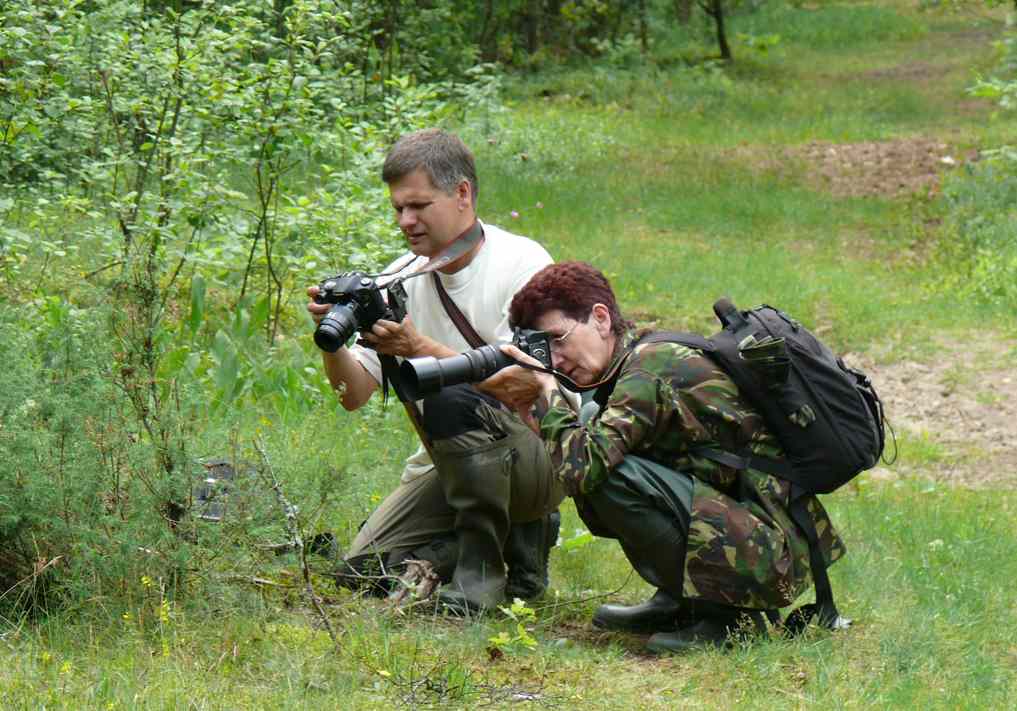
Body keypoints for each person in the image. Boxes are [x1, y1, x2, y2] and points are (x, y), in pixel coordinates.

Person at [495, 261, 846, 652]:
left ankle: (732, 620)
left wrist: (547, 390)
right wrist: (543, 423)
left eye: (557, 339)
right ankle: (683, 601)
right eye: (544, 350)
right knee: (595, 438)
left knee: (610, 475)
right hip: (761, 539)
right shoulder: (637, 360)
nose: (555, 359)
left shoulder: (651, 365)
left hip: (770, 551)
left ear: (600, 319)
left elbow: (583, 467)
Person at [306, 129, 564, 615]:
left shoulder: (523, 264)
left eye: (419, 205)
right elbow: (352, 395)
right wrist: (332, 340)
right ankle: (509, 546)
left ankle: (481, 580)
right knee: (363, 569)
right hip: (452, 467)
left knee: (450, 396)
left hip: (540, 457)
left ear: (462, 193)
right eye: (398, 208)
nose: (406, 220)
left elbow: (527, 386)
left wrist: (418, 347)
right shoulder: (399, 277)